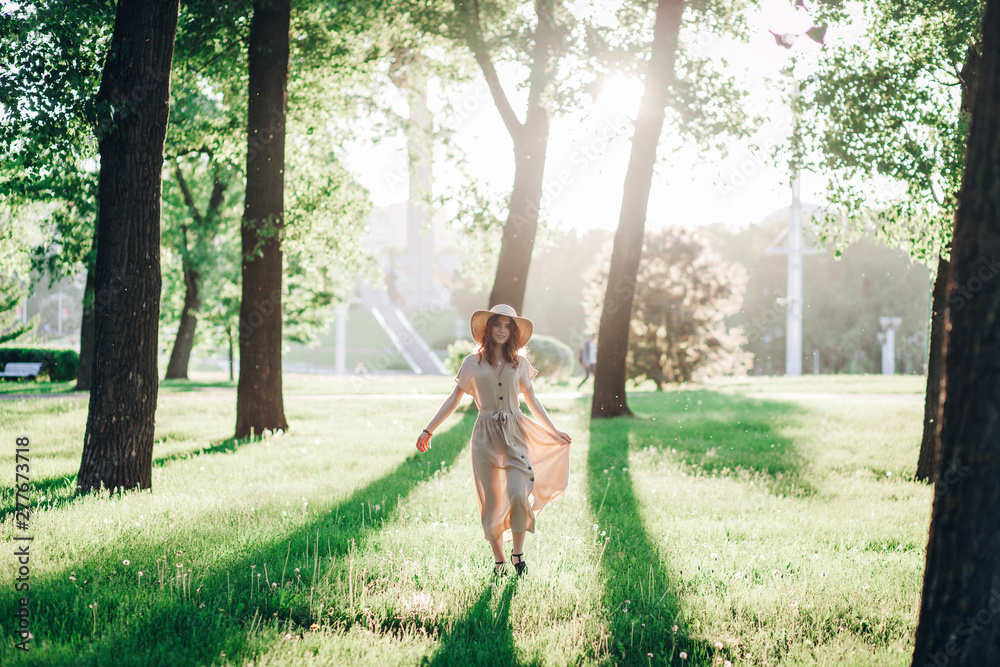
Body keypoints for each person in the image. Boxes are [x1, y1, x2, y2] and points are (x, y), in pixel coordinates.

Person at [415, 304, 572, 577]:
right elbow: (454, 398)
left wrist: (554, 430)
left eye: (507, 326)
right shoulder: (471, 363)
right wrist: (429, 429)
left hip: (515, 433)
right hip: (485, 436)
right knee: (491, 502)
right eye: (497, 324)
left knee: (519, 494)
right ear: (488, 329)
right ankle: (499, 561)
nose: (502, 330)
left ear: (513, 332)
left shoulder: (520, 363)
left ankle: (517, 553)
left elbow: (532, 400)